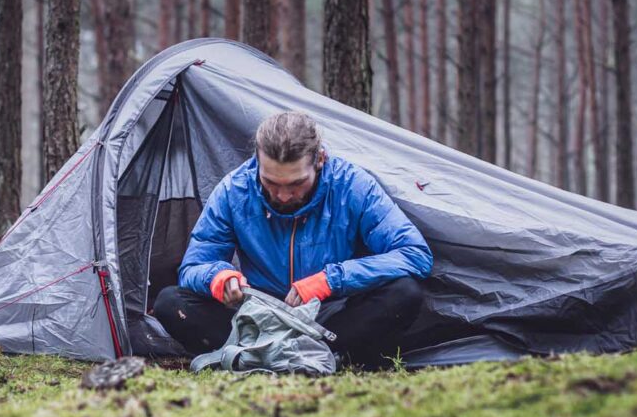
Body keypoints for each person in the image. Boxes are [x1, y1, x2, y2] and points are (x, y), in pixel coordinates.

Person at [153, 111, 433, 368]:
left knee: (405, 294)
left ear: (320, 160)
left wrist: (330, 280)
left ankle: (306, 355)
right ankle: (279, 354)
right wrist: (219, 278)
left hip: (329, 319)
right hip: (255, 318)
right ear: (257, 162)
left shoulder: (353, 186)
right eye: (271, 183)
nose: (283, 195)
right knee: (170, 303)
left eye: (297, 184)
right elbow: (193, 267)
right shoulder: (233, 191)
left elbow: (415, 254)